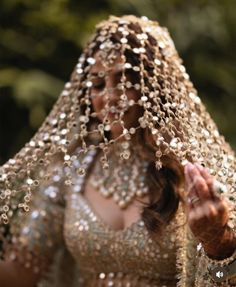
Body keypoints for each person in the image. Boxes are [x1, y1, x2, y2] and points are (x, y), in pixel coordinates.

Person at [0, 15, 236, 287]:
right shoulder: (72, 172)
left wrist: (218, 243)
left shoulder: (195, 175)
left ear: (154, 86)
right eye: (98, 85)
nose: (110, 97)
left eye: (123, 81)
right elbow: (21, 272)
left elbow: (225, 280)